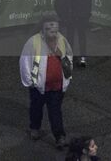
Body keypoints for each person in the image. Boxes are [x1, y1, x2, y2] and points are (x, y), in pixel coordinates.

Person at [21, 17, 74, 148]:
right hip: (38, 86)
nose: (53, 32)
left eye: (55, 29)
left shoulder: (62, 40)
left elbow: (69, 57)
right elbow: (24, 62)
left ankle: (59, 137)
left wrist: (67, 77)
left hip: (57, 86)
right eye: (49, 29)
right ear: (43, 30)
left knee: (55, 111)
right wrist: (29, 81)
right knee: (36, 108)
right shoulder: (33, 42)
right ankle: (35, 129)